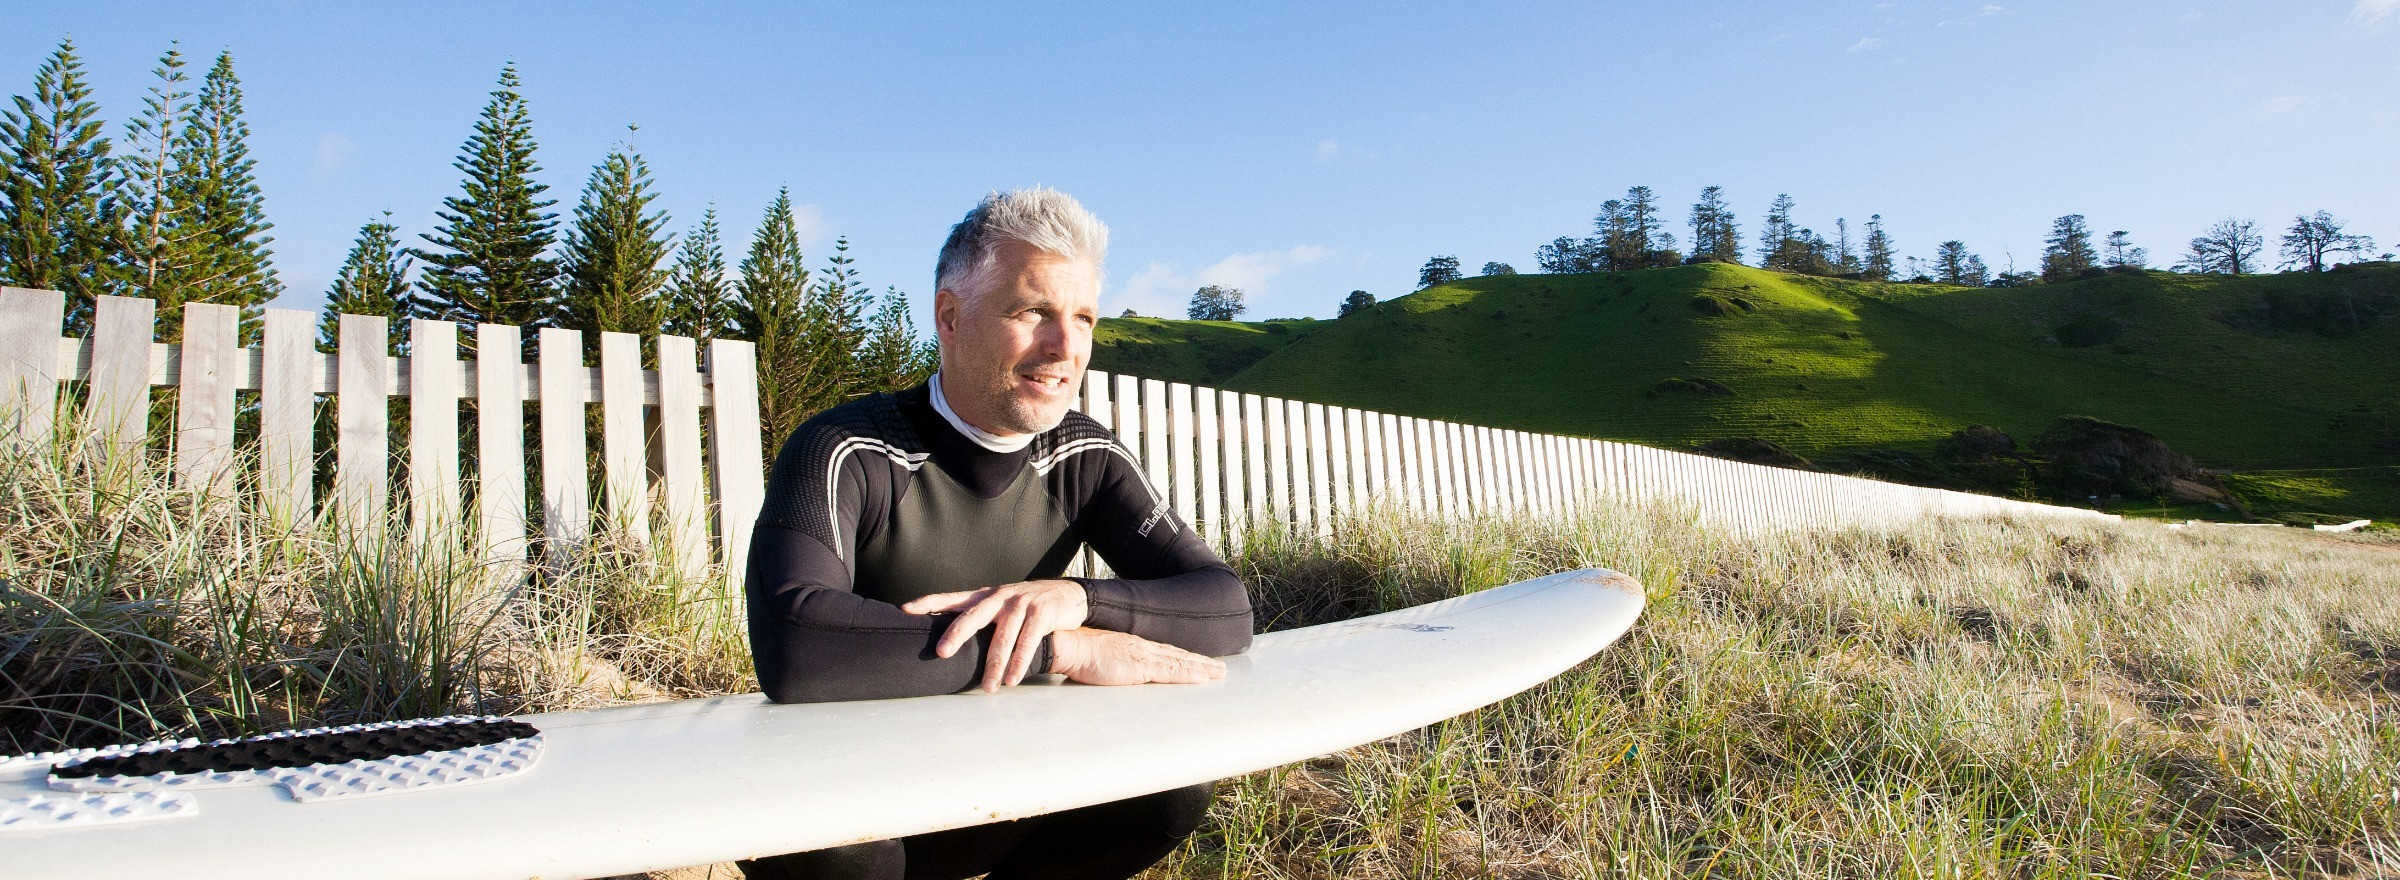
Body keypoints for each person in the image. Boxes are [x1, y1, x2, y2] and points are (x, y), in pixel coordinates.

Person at [739, 188, 1255, 880]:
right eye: (1033, 311)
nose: (1066, 346)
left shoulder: (1085, 457)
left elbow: (1225, 606)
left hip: (1001, 796)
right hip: (851, 805)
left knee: (1169, 791)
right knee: (841, 847)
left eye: (1082, 317)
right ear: (950, 317)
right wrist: (1057, 650)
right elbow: (795, 644)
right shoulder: (845, 448)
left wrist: (1077, 601)